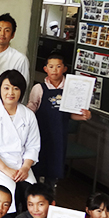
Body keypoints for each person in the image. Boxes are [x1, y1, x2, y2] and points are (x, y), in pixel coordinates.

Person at [0, 70, 40, 213]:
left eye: (16, 88)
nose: (10, 92)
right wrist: (6, 169)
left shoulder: (28, 115)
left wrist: (25, 168)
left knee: (33, 195)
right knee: (6, 195)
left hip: (20, 165)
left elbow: (33, 146)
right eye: (6, 88)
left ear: (21, 91)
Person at [26, 53, 91, 189]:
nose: (54, 70)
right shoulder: (39, 89)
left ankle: (51, 196)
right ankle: (36, 192)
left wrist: (84, 116)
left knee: (54, 167)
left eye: (58, 66)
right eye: (51, 66)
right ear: (45, 69)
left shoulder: (71, 88)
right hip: (40, 134)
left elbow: (70, 114)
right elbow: (31, 109)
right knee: (38, 165)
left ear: (64, 69)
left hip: (59, 135)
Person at [0, 13, 30, 83]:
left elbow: (23, 85)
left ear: (12, 35)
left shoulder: (20, 59)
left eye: (7, 30)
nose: (2, 34)